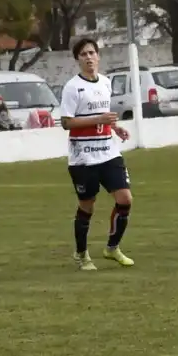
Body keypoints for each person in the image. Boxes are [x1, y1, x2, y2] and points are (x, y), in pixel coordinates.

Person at [59, 38, 133, 271]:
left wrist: (114, 128)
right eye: (83, 54)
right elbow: (66, 122)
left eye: (92, 53)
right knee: (87, 207)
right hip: (83, 158)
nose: (89, 57)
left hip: (109, 153)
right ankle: (82, 254)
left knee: (125, 199)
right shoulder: (72, 87)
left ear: (98, 56)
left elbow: (103, 115)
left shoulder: (105, 82)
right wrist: (98, 120)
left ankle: (112, 248)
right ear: (78, 60)